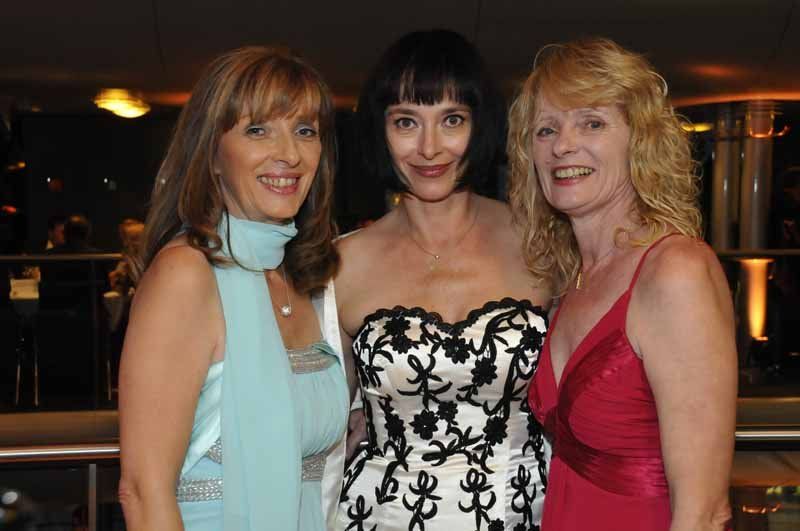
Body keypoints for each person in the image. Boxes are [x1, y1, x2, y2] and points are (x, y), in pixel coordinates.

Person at [508, 38, 737, 531]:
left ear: (640, 139)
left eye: (592, 122)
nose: (563, 145)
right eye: (546, 129)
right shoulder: (571, 279)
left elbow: (705, 513)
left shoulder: (675, 272)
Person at [117, 46, 350, 531]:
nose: (289, 153)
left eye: (304, 131)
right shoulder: (187, 273)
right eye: (258, 129)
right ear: (213, 154)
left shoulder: (301, 279)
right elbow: (142, 489)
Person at [334, 30, 551, 530]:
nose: (429, 148)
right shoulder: (340, 265)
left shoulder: (543, 246)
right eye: (406, 122)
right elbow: (319, 429)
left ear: (480, 125)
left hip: (525, 515)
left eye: (452, 119)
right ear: (379, 130)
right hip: (380, 516)